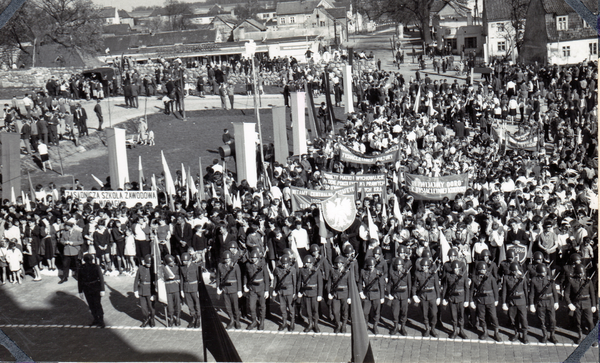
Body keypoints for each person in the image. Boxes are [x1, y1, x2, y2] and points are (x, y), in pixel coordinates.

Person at [564, 264, 597, 343]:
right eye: (579, 273)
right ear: (576, 273)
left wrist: (594, 305)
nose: (581, 275)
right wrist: (569, 304)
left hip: (587, 303)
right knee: (578, 321)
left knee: (590, 321)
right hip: (577, 303)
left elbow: (592, 294)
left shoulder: (588, 281)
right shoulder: (571, 281)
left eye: (582, 273)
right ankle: (580, 335)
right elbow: (566, 294)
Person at [470, 261, 501, 342]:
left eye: (485, 270)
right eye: (481, 270)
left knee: (493, 317)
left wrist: (496, 299)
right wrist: (471, 301)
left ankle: (496, 332)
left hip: (490, 299)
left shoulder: (490, 278)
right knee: (481, 317)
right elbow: (471, 290)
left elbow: (495, 289)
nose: (483, 271)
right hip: (480, 300)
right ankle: (485, 331)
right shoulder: (475, 278)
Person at [529, 264, 559, 344]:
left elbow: (555, 292)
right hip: (540, 302)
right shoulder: (534, 280)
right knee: (541, 320)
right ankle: (545, 335)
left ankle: (552, 335)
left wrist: (556, 302)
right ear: (538, 272)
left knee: (552, 319)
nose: (545, 273)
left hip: (550, 301)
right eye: (543, 272)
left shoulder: (550, 279)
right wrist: (531, 304)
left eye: (545, 272)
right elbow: (532, 293)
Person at [412, 258, 440, 337]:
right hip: (423, 296)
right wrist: (414, 295)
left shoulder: (433, 274)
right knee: (425, 314)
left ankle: (433, 328)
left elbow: (437, 286)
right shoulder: (418, 274)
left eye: (426, 266)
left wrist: (438, 297)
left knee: (434, 313)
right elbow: (414, 286)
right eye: (423, 266)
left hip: (432, 295)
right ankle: (427, 328)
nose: (424, 267)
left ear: (428, 266)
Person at [501, 262, 529, 344]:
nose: (516, 272)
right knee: (513, 318)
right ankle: (516, 333)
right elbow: (504, 291)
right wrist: (503, 303)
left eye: (517, 271)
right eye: (515, 271)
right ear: (512, 271)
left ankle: (525, 335)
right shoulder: (506, 278)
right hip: (512, 301)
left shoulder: (522, 278)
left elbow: (525, 290)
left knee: (523, 319)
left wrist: (527, 303)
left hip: (521, 300)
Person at [441, 260, 469, 339]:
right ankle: (455, 330)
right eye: (455, 269)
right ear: (452, 269)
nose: (457, 270)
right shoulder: (448, 276)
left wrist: (467, 300)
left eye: (458, 268)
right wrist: (444, 299)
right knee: (453, 316)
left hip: (461, 298)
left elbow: (467, 288)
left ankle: (461, 330)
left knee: (461, 315)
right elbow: (445, 288)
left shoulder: (463, 276)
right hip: (452, 298)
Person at [243, 249, 270, 330]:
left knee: (262, 306)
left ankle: (261, 321)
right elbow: (245, 275)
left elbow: (266, 278)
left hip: (261, 287)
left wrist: (267, 290)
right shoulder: (248, 265)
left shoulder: (263, 265)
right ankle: (254, 321)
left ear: (258, 258)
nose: (253, 259)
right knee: (251, 306)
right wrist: (245, 285)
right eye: (252, 258)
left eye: (255, 258)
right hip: (252, 288)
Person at [78, 254, 106, 328]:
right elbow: (80, 280)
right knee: (91, 305)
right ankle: (96, 319)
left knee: (97, 304)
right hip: (88, 288)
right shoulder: (82, 267)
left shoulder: (95, 267)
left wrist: (102, 290)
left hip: (95, 287)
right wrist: (80, 291)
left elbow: (101, 278)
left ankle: (101, 321)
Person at [217, 250, 242, 329]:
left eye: (228, 259)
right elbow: (218, 278)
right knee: (228, 307)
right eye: (225, 259)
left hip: (233, 288)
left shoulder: (235, 266)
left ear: (231, 258)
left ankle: (237, 321)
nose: (227, 260)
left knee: (235, 306)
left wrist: (239, 290)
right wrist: (218, 287)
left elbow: (238, 278)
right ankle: (231, 320)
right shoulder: (220, 266)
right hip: (225, 289)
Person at [297, 255, 323, 333]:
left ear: (312, 263)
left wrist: (319, 294)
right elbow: (299, 282)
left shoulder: (317, 271)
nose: (308, 265)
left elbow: (320, 283)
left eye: (310, 263)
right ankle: (310, 323)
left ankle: (315, 324)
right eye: (307, 263)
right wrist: (299, 291)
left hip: (314, 293)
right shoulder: (302, 271)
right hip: (306, 293)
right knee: (308, 310)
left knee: (315, 310)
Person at [387, 257, 411, 335]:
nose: (398, 267)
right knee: (395, 311)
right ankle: (396, 326)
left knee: (404, 312)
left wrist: (409, 297)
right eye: (397, 265)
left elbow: (409, 285)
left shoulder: (406, 273)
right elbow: (390, 284)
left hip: (404, 295)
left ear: (402, 265)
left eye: (400, 265)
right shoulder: (392, 273)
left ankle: (403, 327)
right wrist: (389, 293)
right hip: (396, 295)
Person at [273, 254, 297, 331]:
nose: (284, 265)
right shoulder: (277, 269)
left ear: (288, 263)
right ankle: (284, 323)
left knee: (291, 308)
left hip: (289, 291)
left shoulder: (292, 270)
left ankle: (292, 323)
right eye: (283, 263)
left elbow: (294, 282)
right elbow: (275, 280)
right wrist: (274, 290)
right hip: (281, 291)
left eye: (286, 263)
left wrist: (294, 292)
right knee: (282, 308)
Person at [133, 254, 156, 328]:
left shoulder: (153, 270)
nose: (149, 264)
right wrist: (135, 290)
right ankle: (146, 318)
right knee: (143, 307)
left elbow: (156, 283)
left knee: (151, 307)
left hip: (150, 290)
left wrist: (154, 293)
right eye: (147, 263)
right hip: (142, 290)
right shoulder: (140, 268)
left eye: (150, 263)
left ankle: (152, 318)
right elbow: (136, 280)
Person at [180, 252, 201, 328]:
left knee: (197, 303)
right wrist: (181, 290)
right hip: (186, 288)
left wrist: (199, 290)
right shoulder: (182, 267)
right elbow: (182, 279)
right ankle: (193, 317)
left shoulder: (195, 266)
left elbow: (199, 279)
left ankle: (198, 318)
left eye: (184, 261)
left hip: (194, 287)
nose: (183, 262)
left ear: (189, 260)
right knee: (190, 304)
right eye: (182, 261)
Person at [163, 254, 182, 327]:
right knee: (170, 305)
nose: (173, 263)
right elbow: (165, 277)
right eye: (171, 262)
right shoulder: (165, 268)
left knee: (177, 304)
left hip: (176, 288)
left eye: (173, 261)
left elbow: (179, 276)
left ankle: (177, 317)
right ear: (167, 263)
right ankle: (171, 317)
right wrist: (174, 278)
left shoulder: (177, 267)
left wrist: (173, 277)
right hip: (168, 289)